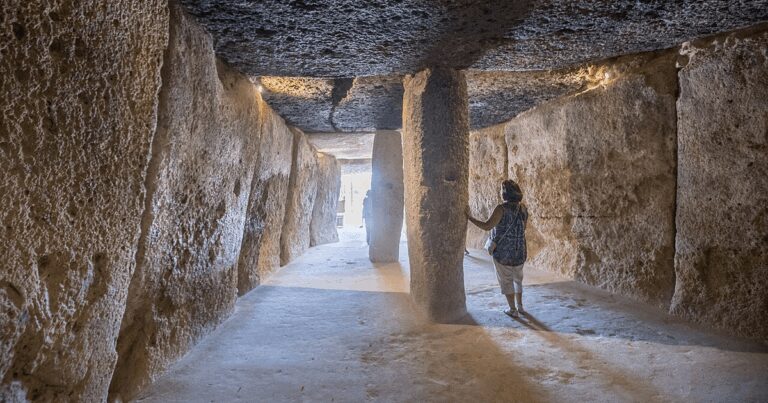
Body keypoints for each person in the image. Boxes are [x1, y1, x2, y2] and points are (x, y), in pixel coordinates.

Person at [467, 179, 529, 318]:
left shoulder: (501, 209)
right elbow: (524, 227)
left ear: (505, 193)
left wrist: (470, 218)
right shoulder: (523, 208)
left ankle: (512, 309)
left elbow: (487, 226)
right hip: (520, 251)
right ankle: (520, 307)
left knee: (506, 280)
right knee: (518, 279)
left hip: (503, 252)